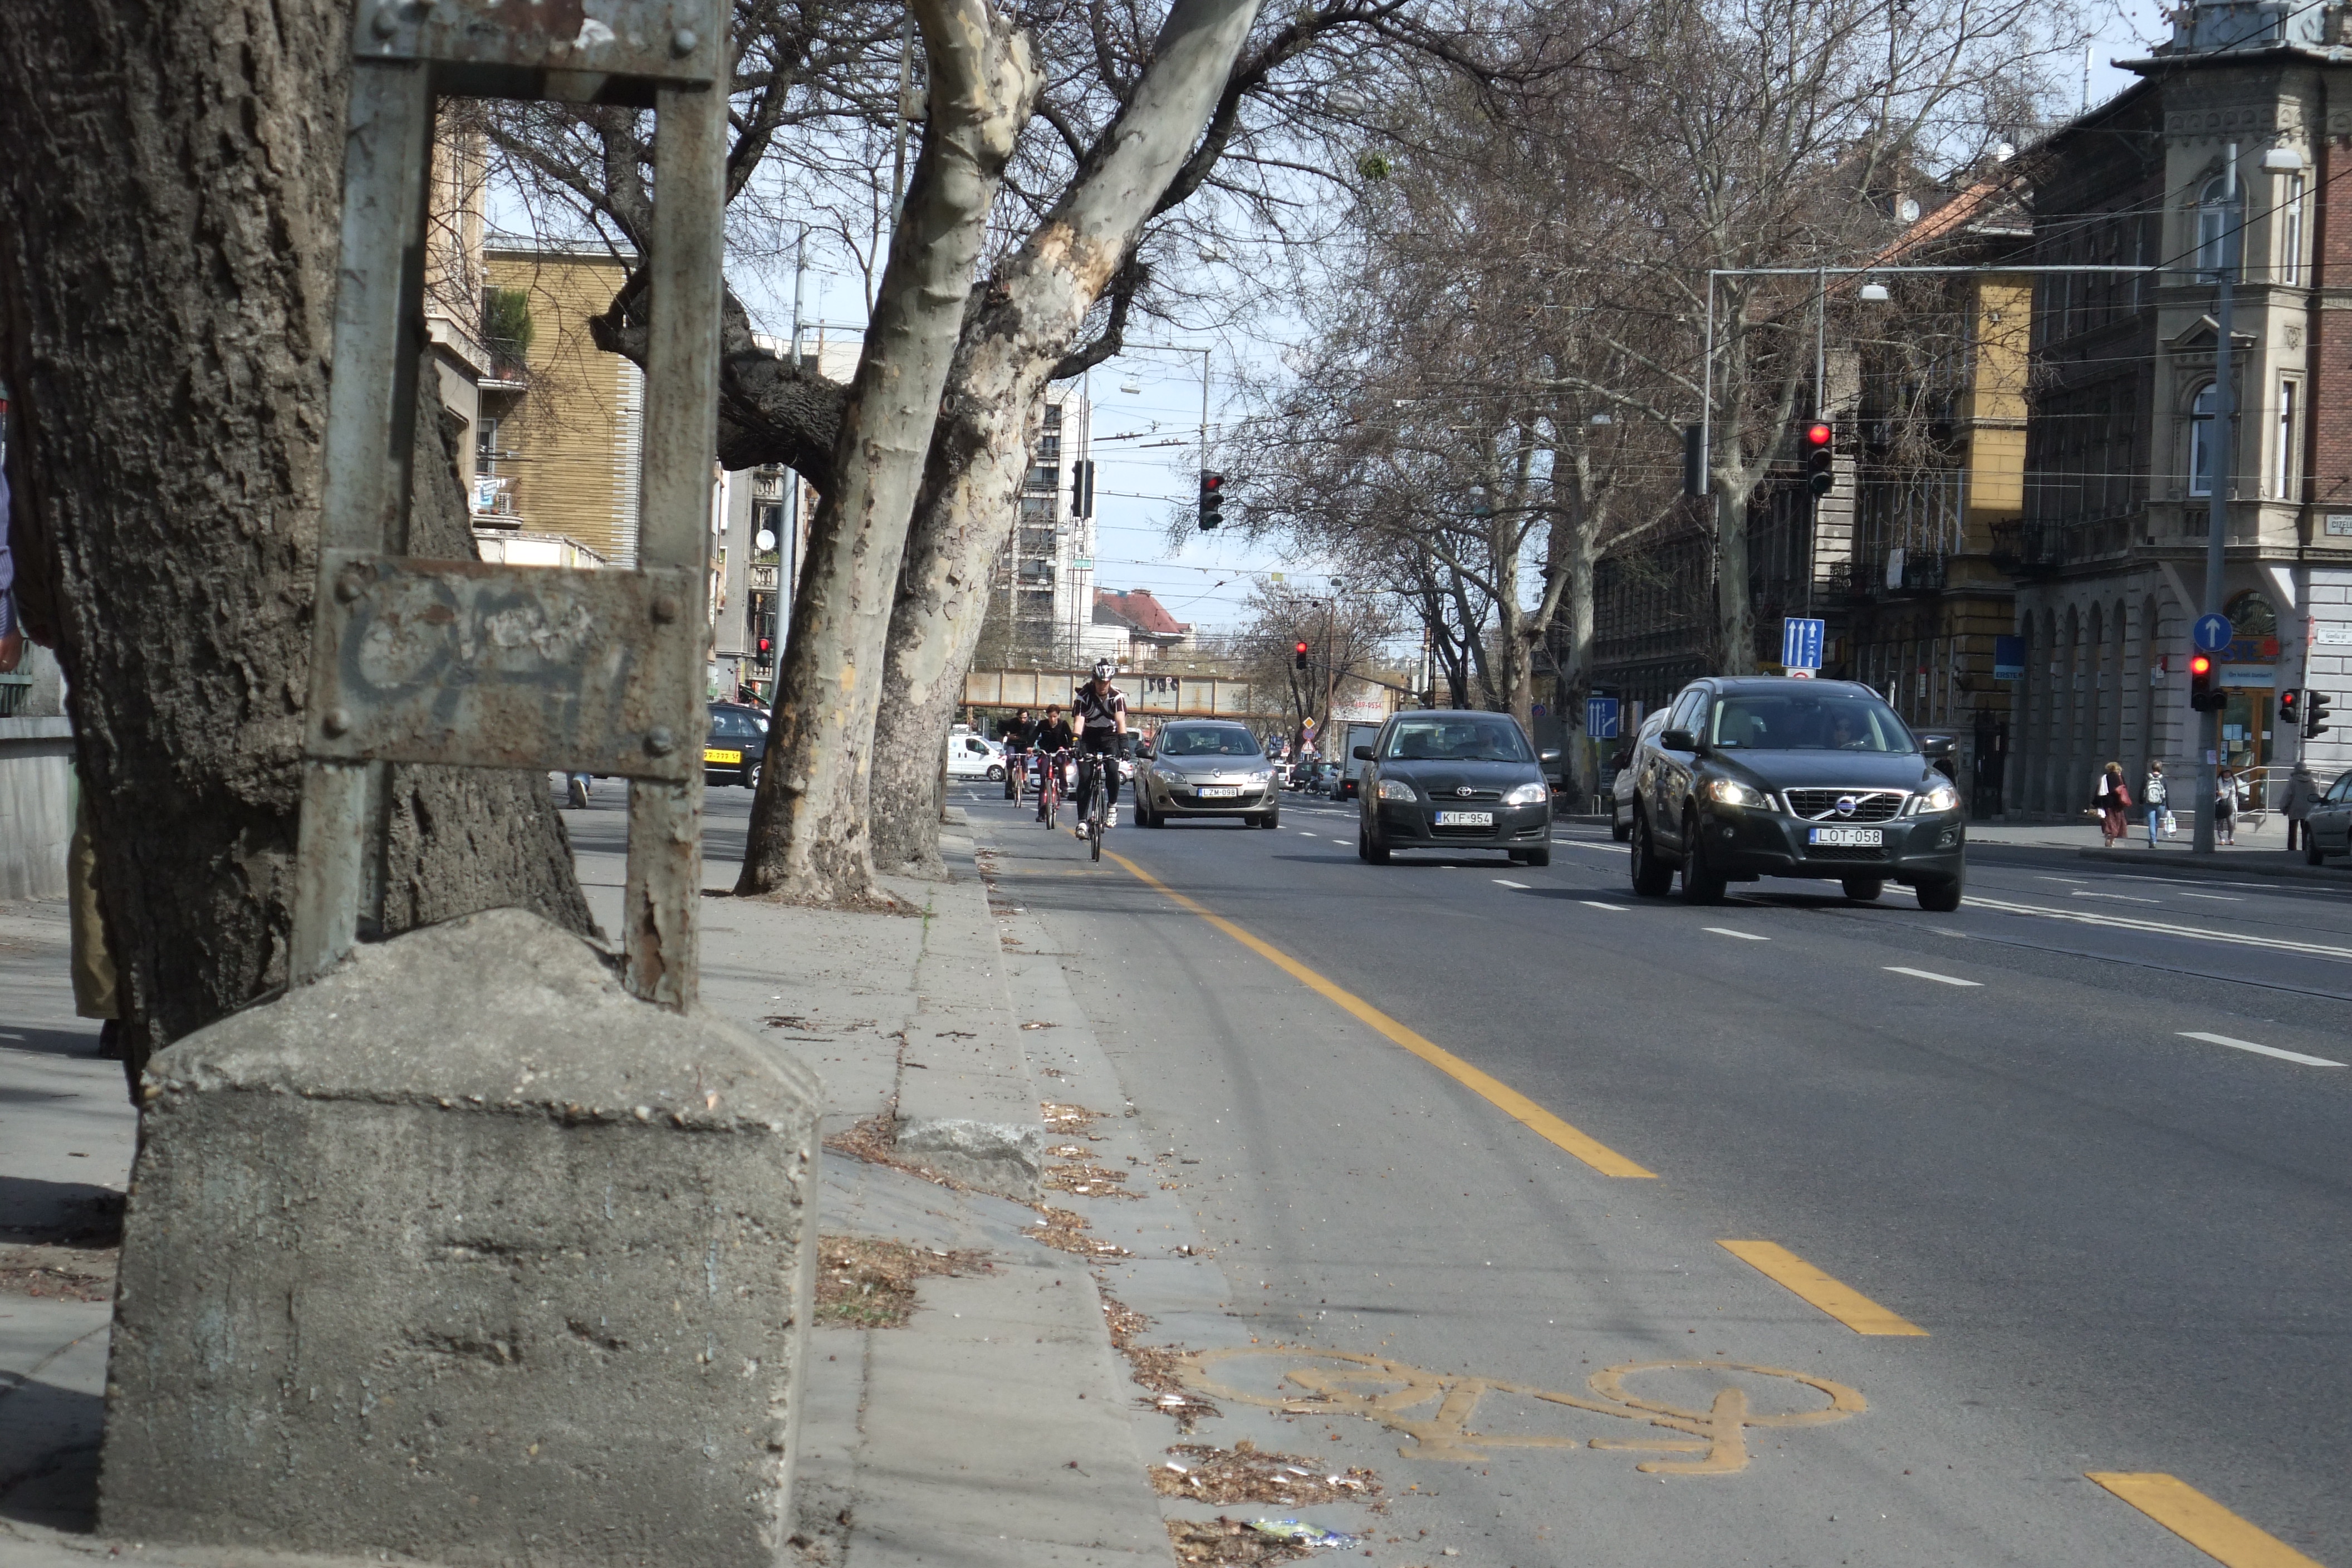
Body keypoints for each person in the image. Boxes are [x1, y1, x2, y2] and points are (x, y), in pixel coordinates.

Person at [1069, 660, 1130, 837]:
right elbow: (1079, 722)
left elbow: (1120, 721)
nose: (1102, 686)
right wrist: (1076, 742)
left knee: (1112, 769)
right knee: (1085, 776)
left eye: (1106, 682)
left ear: (1110, 681)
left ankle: (1112, 807)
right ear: (1094, 680)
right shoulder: (1083, 697)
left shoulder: (1117, 697)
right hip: (1088, 736)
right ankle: (1082, 821)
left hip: (1109, 736)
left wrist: (1124, 744)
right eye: (1099, 682)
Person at [1031, 704, 1074, 821]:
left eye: (1055, 716)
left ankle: (1064, 786)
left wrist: (1069, 747)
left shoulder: (1063, 724)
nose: (1052, 719)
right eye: (1050, 716)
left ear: (1058, 716)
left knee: (1061, 762)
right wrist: (1030, 747)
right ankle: (1042, 813)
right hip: (1046, 752)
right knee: (1043, 777)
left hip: (1060, 751)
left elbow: (1070, 737)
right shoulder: (1043, 724)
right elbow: (1034, 736)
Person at [1000, 707, 1035, 800]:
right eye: (1021, 718)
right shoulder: (1012, 722)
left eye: (1025, 718)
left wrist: (1030, 749)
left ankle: (1025, 781)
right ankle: (1010, 779)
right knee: (1010, 758)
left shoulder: (1031, 724)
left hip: (1024, 745)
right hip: (1013, 744)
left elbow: (1032, 737)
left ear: (1028, 717)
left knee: (1024, 760)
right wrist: (1007, 735)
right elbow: (1000, 724)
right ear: (1018, 717)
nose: (1023, 720)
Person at [2094, 761, 2131, 847]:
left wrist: (2095, 803)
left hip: (2107, 803)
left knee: (2109, 821)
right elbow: (2125, 788)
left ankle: (2109, 835)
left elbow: (2098, 791)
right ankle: (2112, 839)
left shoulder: (2105, 777)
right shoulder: (2120, 777)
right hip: (2118, 803)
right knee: (2118, 821)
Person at [2143, 758, 2169, 847]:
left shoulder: (2147, 778)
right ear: (2161, 768)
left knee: (2151, 823)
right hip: (2161, 804)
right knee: (2156, 823)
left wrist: (2141, 801)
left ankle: (2153, 841)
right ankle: (2154, 839)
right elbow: (2167, 793)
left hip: (2149, 803)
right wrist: (2168, 806)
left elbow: (2142, 790)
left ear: (2152, 767)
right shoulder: (2163, 779)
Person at [2216, 764, 2241, 846]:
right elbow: (2213, 791)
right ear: (2222, 773)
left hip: (2230, 803)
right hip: (2220, 802)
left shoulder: (2233, 781)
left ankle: (2231, 838)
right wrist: (2218, 793)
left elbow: (2236, 793)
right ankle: (2222, 839)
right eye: (2225, 772)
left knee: (2231, 821)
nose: (2227, 774)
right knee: (2220, 822)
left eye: (2228, 772)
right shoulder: (2218, 781)